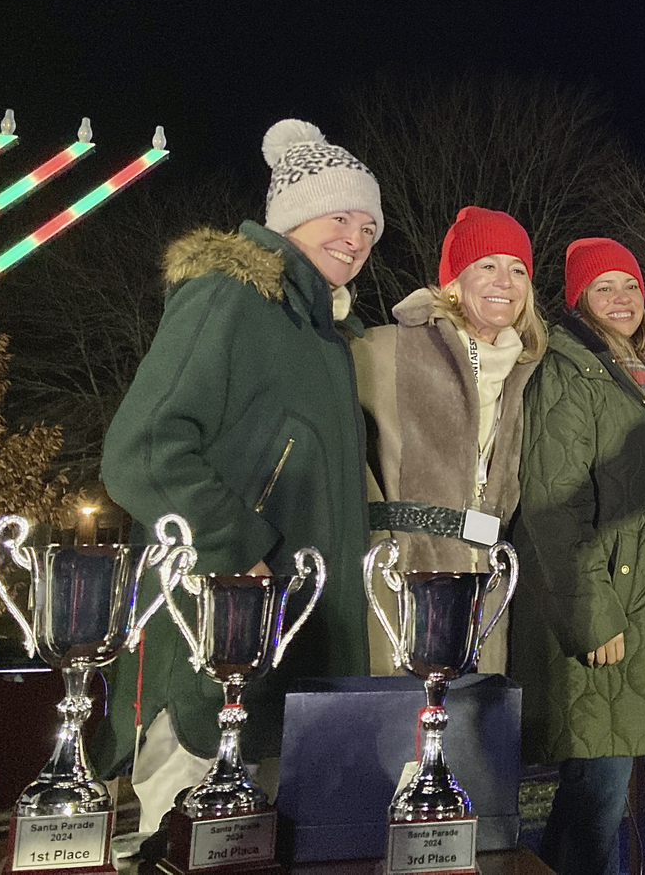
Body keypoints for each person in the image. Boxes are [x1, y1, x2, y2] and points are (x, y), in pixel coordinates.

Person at [96, 120, 382, 834]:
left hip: (299, 657)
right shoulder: (228, 296)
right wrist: (237, 551)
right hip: (212, 643)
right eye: (339, 216)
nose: (356, 237)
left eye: (370, 226)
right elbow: (143, 449)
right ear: (290, 215)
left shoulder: (324, 341)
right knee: (195, 846)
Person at [511, 238, 645, 875]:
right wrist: (594, 614)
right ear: (579, 298)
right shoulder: (568, 370)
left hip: (633, 606)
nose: (621, 299)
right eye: (603, 288)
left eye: (630, 287)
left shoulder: (635, 372)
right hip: (602, 614)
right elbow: (555, 503)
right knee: (595, 791)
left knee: (603, 786)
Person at [353, 206, 545, 675]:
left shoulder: (530, 368)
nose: (505, 281)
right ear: (453, 283)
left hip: (486, 581)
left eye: (517, 269)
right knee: (401, 737)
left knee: (471, 735)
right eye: (487, 266)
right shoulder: (380, 351)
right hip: (399, 581)